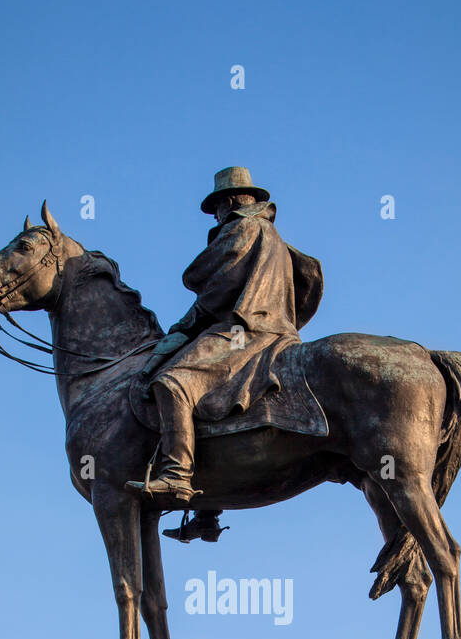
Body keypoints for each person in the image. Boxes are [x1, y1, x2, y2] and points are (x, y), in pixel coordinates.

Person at [125, 165, 322, 510]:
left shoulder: (242, 228)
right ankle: (208, 509)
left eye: (215, 208)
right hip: (276, 329)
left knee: (173, 384)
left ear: (229, 201)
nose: (214, 218)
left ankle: (177, 473)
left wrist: (184, 326)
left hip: (244, 331)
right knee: (207, 402)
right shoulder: (274, 236)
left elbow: (217, 290)